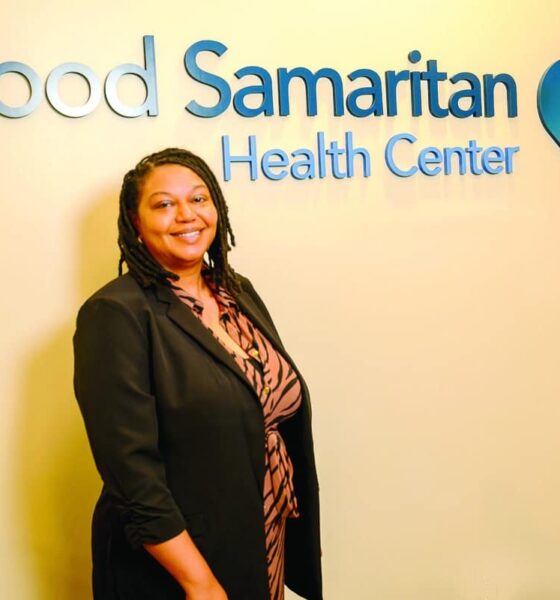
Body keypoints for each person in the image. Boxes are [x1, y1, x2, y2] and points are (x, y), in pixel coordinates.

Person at [73, 148, 323, 600]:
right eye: (164, 204)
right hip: (178, 564)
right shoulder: (114, 314)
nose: (186, 216)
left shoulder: (235, 291)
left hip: (258, 533)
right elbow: (133, 477)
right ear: (135, 221)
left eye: (199, 199)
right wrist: (199, 582)